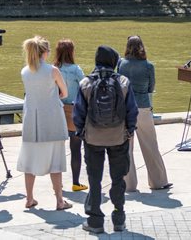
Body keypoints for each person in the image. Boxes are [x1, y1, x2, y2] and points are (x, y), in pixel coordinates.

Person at [73, 45, 138, 234]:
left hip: (93, 139)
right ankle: (119, 219)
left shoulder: (86, 82)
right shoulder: (124, 82)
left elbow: (78, 113)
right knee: (118, 179)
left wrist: (82, 133)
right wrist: (129, 131)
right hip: (119, 138)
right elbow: (132, 111)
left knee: (95, 180)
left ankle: (95, 221)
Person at [17, 36, 72, 210]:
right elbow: (65, 92)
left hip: (32, 122)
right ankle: (59, 201)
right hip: (52, 120)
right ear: (45, 52)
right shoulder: (53, 70)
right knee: (56, 162)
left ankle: (29, 198)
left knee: (29, 162)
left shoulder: (25, 71)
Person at [118, 36, 172, 191]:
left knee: (126, 147)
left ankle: (128, 185)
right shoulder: (148, 66)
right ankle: (158, 182)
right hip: (142, 108)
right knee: (150, 145)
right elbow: (150, 88)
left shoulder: (121, 63)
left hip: (125, 108)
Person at [53, 38, 87, 192]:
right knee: (75, 148)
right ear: (71, 51)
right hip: (73, 110)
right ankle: (75, 182)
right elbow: (86, 86)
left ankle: (57, 183)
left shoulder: (53, 68)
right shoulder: (75, 69)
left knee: (57, 149)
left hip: (57, 109)